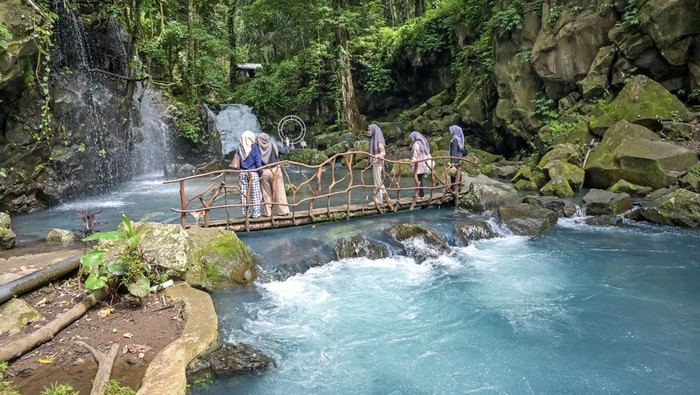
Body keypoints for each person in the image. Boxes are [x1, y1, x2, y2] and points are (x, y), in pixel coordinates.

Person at [257, 132, 292, 216]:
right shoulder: (274, 146)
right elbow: (285, 151)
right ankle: (282, 211)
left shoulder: (257, 148)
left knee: (266, 193)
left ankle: (268, 213)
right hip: (276, 171)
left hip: (264, 172)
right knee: (279, 191)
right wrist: (287, 144)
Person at [237, 130, 263, 218]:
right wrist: (260, 172)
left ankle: (246, 214)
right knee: (255, 193)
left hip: (242, 172)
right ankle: (256, 213)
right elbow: (258, 161)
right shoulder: (254, 147)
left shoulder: (240, 147)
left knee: (243, 193)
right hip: (253, 172)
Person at [367, 123, 387, 204]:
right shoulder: (374, 139)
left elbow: (383, 152)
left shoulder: (378, 141)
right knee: (378, 180)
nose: (368, 132)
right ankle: (386, 197)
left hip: (378, 164)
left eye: (369, 130)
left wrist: (376, 156)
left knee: (377, 182)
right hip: (376, 164)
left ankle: (379, 200)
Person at [409, 131, 431, 198]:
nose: (411, 139)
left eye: (411, 137)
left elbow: (415, 155)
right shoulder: (423, 143)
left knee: (418, 180)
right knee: (420, 179)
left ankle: (420, 194)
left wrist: (412, 163)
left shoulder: (416, 144)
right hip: (423, 164)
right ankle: (420, 194)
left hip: (418, 165)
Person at [448, 125, 466, 194]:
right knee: (458, 173)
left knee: (453, 173)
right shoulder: (460, 139)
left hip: (456, 159)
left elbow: (454, 151)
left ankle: (454, 189)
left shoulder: (455, 140)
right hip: (460, 158)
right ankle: (458, 188)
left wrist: (452, 162)